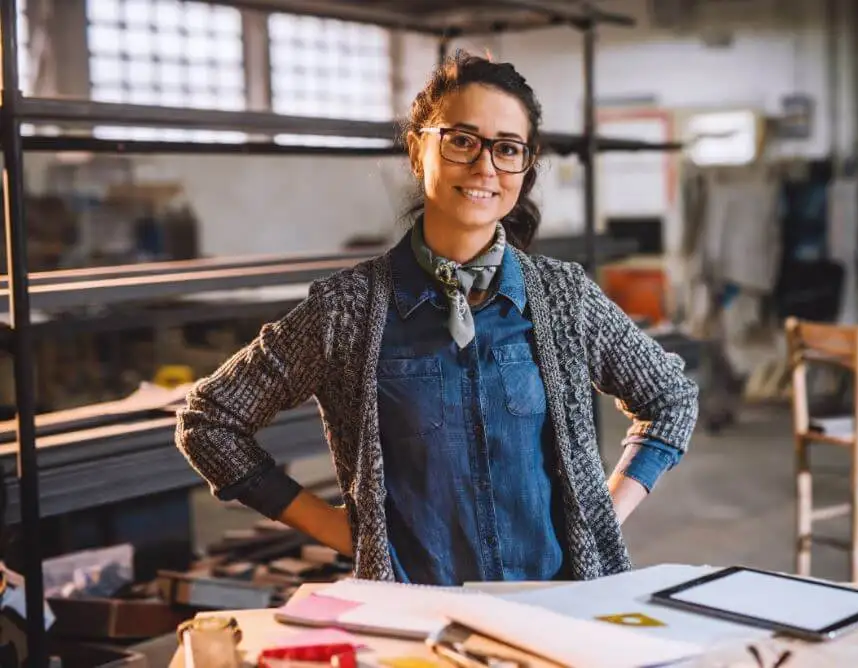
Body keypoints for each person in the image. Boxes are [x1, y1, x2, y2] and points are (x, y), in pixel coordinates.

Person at [175, 51, 699, 585]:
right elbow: (209, 423)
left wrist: (600, 517)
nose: (484, 167)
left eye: (507, 149)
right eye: (462, 140)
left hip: (556, 608)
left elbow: (670, 399)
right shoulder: (347, 310)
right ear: (416, 149)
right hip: (418, 618)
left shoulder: (565, 297)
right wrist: (341, 530)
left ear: (526, 165)